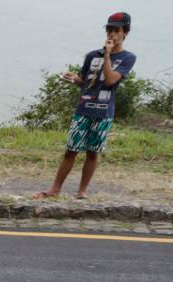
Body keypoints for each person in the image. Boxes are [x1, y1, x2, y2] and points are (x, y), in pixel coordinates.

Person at [34, 12, 136, 199]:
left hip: (103, 112)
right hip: (83, 110)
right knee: (70, 150)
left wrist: (106, 55)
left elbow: (110, 81)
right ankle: (54, 189)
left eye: (116, 31)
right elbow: (88, 83)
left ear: (125, 33)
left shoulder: (128, 58)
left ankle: (82, 192)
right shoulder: (91, 56)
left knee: (92, 153)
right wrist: (75, 80)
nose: (112, 35)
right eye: (109, 30)